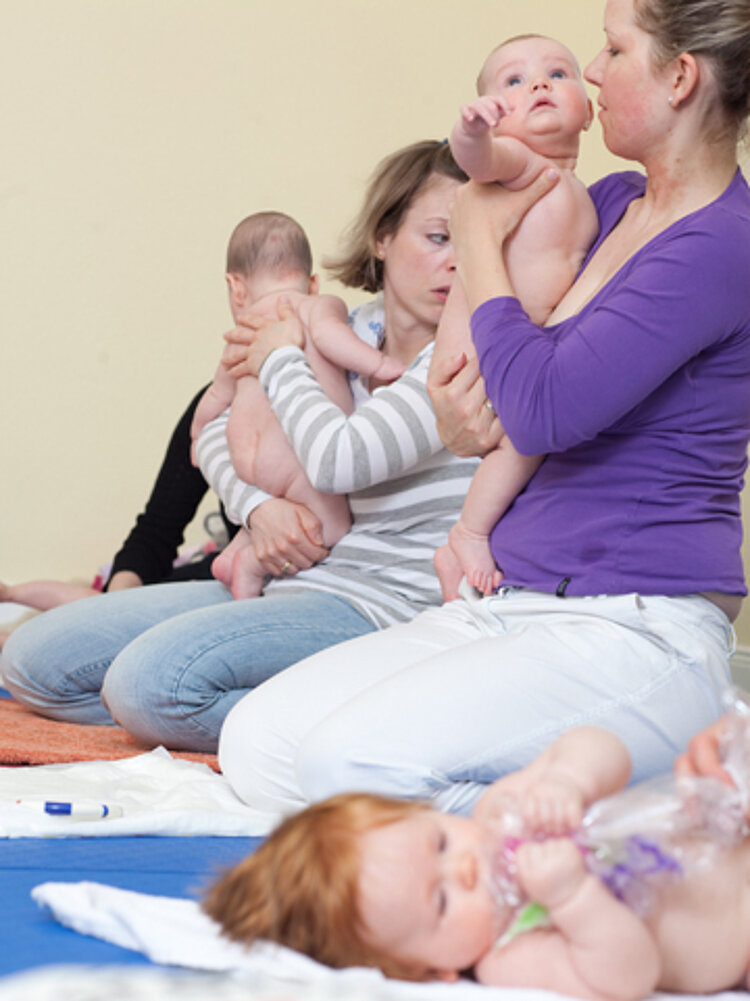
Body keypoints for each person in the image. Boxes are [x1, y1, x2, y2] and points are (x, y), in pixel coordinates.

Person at [215, 0, 750, 822]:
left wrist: (470, 230)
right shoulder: (606, 204)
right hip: (512, 600)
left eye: (612, 49)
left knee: (341, 763)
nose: (593, 71)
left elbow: (535, 410)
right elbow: (469, 410)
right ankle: (548, 811)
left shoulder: (722, 246)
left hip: (636, 624)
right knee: (257, 742)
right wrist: (489, 389)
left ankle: (613, 818)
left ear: (680, 76)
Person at [0, 140, 476, 758]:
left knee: (148, 686)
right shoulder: (333, 323)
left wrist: (280, 354)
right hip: (288, 579)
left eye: (475, 247)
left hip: (380, 605)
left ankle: (344, 723)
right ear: (383, 238)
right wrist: (255, 507)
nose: (457, 266)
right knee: (34, 661)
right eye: (439, 238)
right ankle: (285, 702)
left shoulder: (464, 356)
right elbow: (213, 433)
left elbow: (339, 459)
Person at [205, 724, 750, 995]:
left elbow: (599, 743)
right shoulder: (511, 955)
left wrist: (567, 780)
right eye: (441, 900)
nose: (465, 866)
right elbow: (628, 976)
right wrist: (571, 896)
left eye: (440, 844)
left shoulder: (502, 814)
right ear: (431, 971)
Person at [433, 33, 599, 598]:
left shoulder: (589, 193)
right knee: (523, 444)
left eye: (557, 73)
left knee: (530, 441)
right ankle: (468, 533)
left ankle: (462, 546)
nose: (537, 85)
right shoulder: (522, 164)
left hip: (517, 352)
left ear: (590, 113)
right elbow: (478, 161)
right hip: (479, 350)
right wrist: (473, 129)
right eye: (513, 81)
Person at [192, 210, 404, 600]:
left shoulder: (240, 334)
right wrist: (382, 364)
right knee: (331, 526)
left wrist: (197, 433)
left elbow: (216, 397)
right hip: (292, 454)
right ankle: (252, 566)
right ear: (312, 282)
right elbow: (334, 340)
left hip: (245, 454)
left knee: (280, 509)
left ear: (235, 287)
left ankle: (234, 550)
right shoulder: (313, 306)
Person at [0, 384, 237, 647]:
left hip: (239, 590)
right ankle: (15, 619)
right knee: (98, 608)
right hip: (209, 581)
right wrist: (117, 602)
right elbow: (156, 532)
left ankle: (14, 637)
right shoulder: (218, 407)